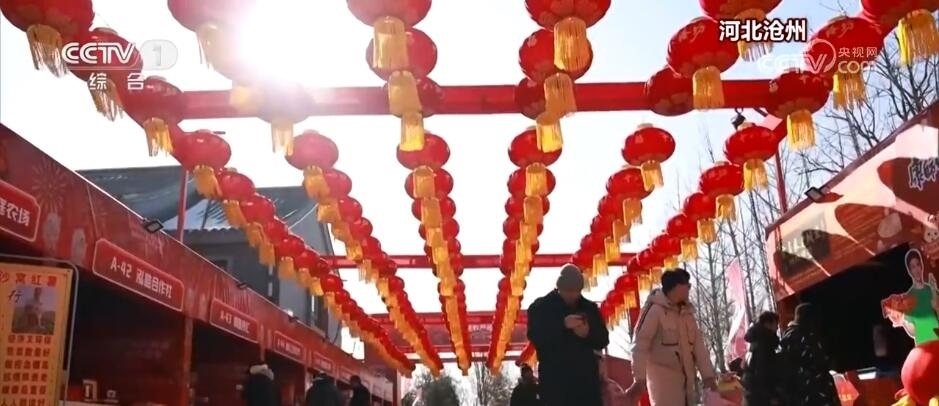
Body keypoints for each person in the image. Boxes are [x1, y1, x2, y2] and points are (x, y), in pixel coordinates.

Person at [625, 268, 717, 406]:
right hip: (663, 387)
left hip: (687, 386)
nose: (689, 289)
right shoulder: (654, 310)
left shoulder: (687, 314)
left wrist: (708, 377)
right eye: (687, 285)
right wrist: (639, 379)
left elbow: (699, 348)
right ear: (677, 287)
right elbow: (640, 344)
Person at [527, 264, 609, 406]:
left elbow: (603, 339)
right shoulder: (541, 307)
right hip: (555, 384)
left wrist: (587, 334)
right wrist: (562, 325)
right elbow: (535, 335)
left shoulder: (589, 308)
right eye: (568, 291)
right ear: (559, 287)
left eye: (576, 291)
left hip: (586, 385)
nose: (572, 295)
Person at [779, 303, 839, 406]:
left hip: (802, 394)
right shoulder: (806, 337)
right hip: (816, 392)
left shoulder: (788, 337)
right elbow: (820, 361)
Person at [742, 311, 783, 405]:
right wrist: (772, 396)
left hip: (753, 390)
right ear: (768, 324)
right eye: (776, 324)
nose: (777, 328)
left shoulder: (755, 341)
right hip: (762, 394)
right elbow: (764, 372)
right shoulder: (765, 343)